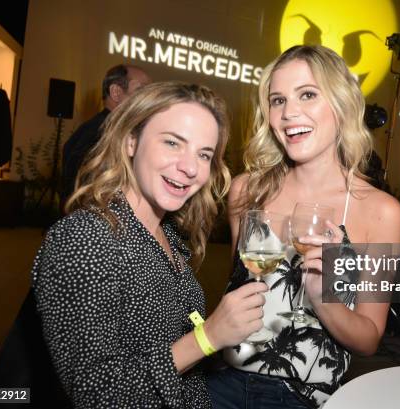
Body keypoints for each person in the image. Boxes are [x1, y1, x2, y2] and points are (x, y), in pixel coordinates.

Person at [32, 82, 268, 408]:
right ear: (131, 140)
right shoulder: (84, 238)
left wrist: (224, 341)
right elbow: (96, 394)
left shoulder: (166, 233)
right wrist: (208, 336)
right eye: (173, 143)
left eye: (204, 154)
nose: (190, 167)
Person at [208, 46, 400, 408]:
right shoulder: (246, 190)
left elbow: (369, 339)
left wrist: (321, 296)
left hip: (302, 397)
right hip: (223, 381)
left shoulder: (380, 211)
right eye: (277, 100)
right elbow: (235, 295)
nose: (289, 113)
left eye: (308, 95)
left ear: (341, 104)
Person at [61, 64, 151, 206]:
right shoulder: (103, 133)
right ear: (115, 92)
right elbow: (88, 194)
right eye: (140, 90)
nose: (148, 99)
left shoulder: (99, 128)